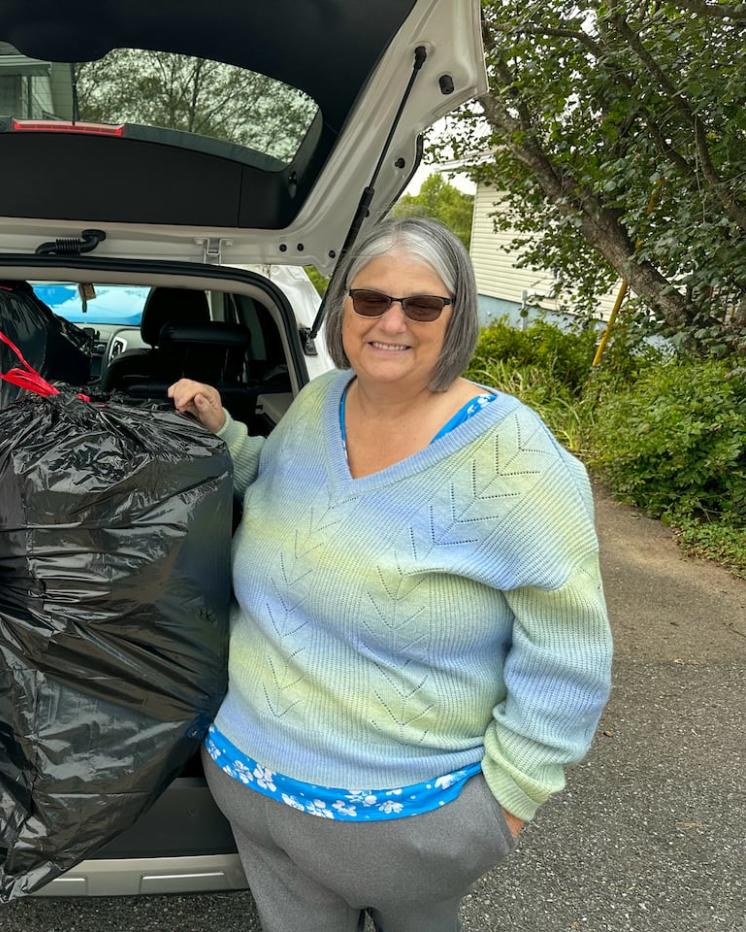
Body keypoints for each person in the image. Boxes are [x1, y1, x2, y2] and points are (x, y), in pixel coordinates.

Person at [169, 217, 612, 932]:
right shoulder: (319, 404)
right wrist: (224, 433)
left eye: (421, 305)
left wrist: (506, 803)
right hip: (250, 789)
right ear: (343, 306)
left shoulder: (514, 458)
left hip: (408, 825)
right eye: (371, 300)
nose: (391, 322)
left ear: (457, 314)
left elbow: (571, 653)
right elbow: (274, 491)